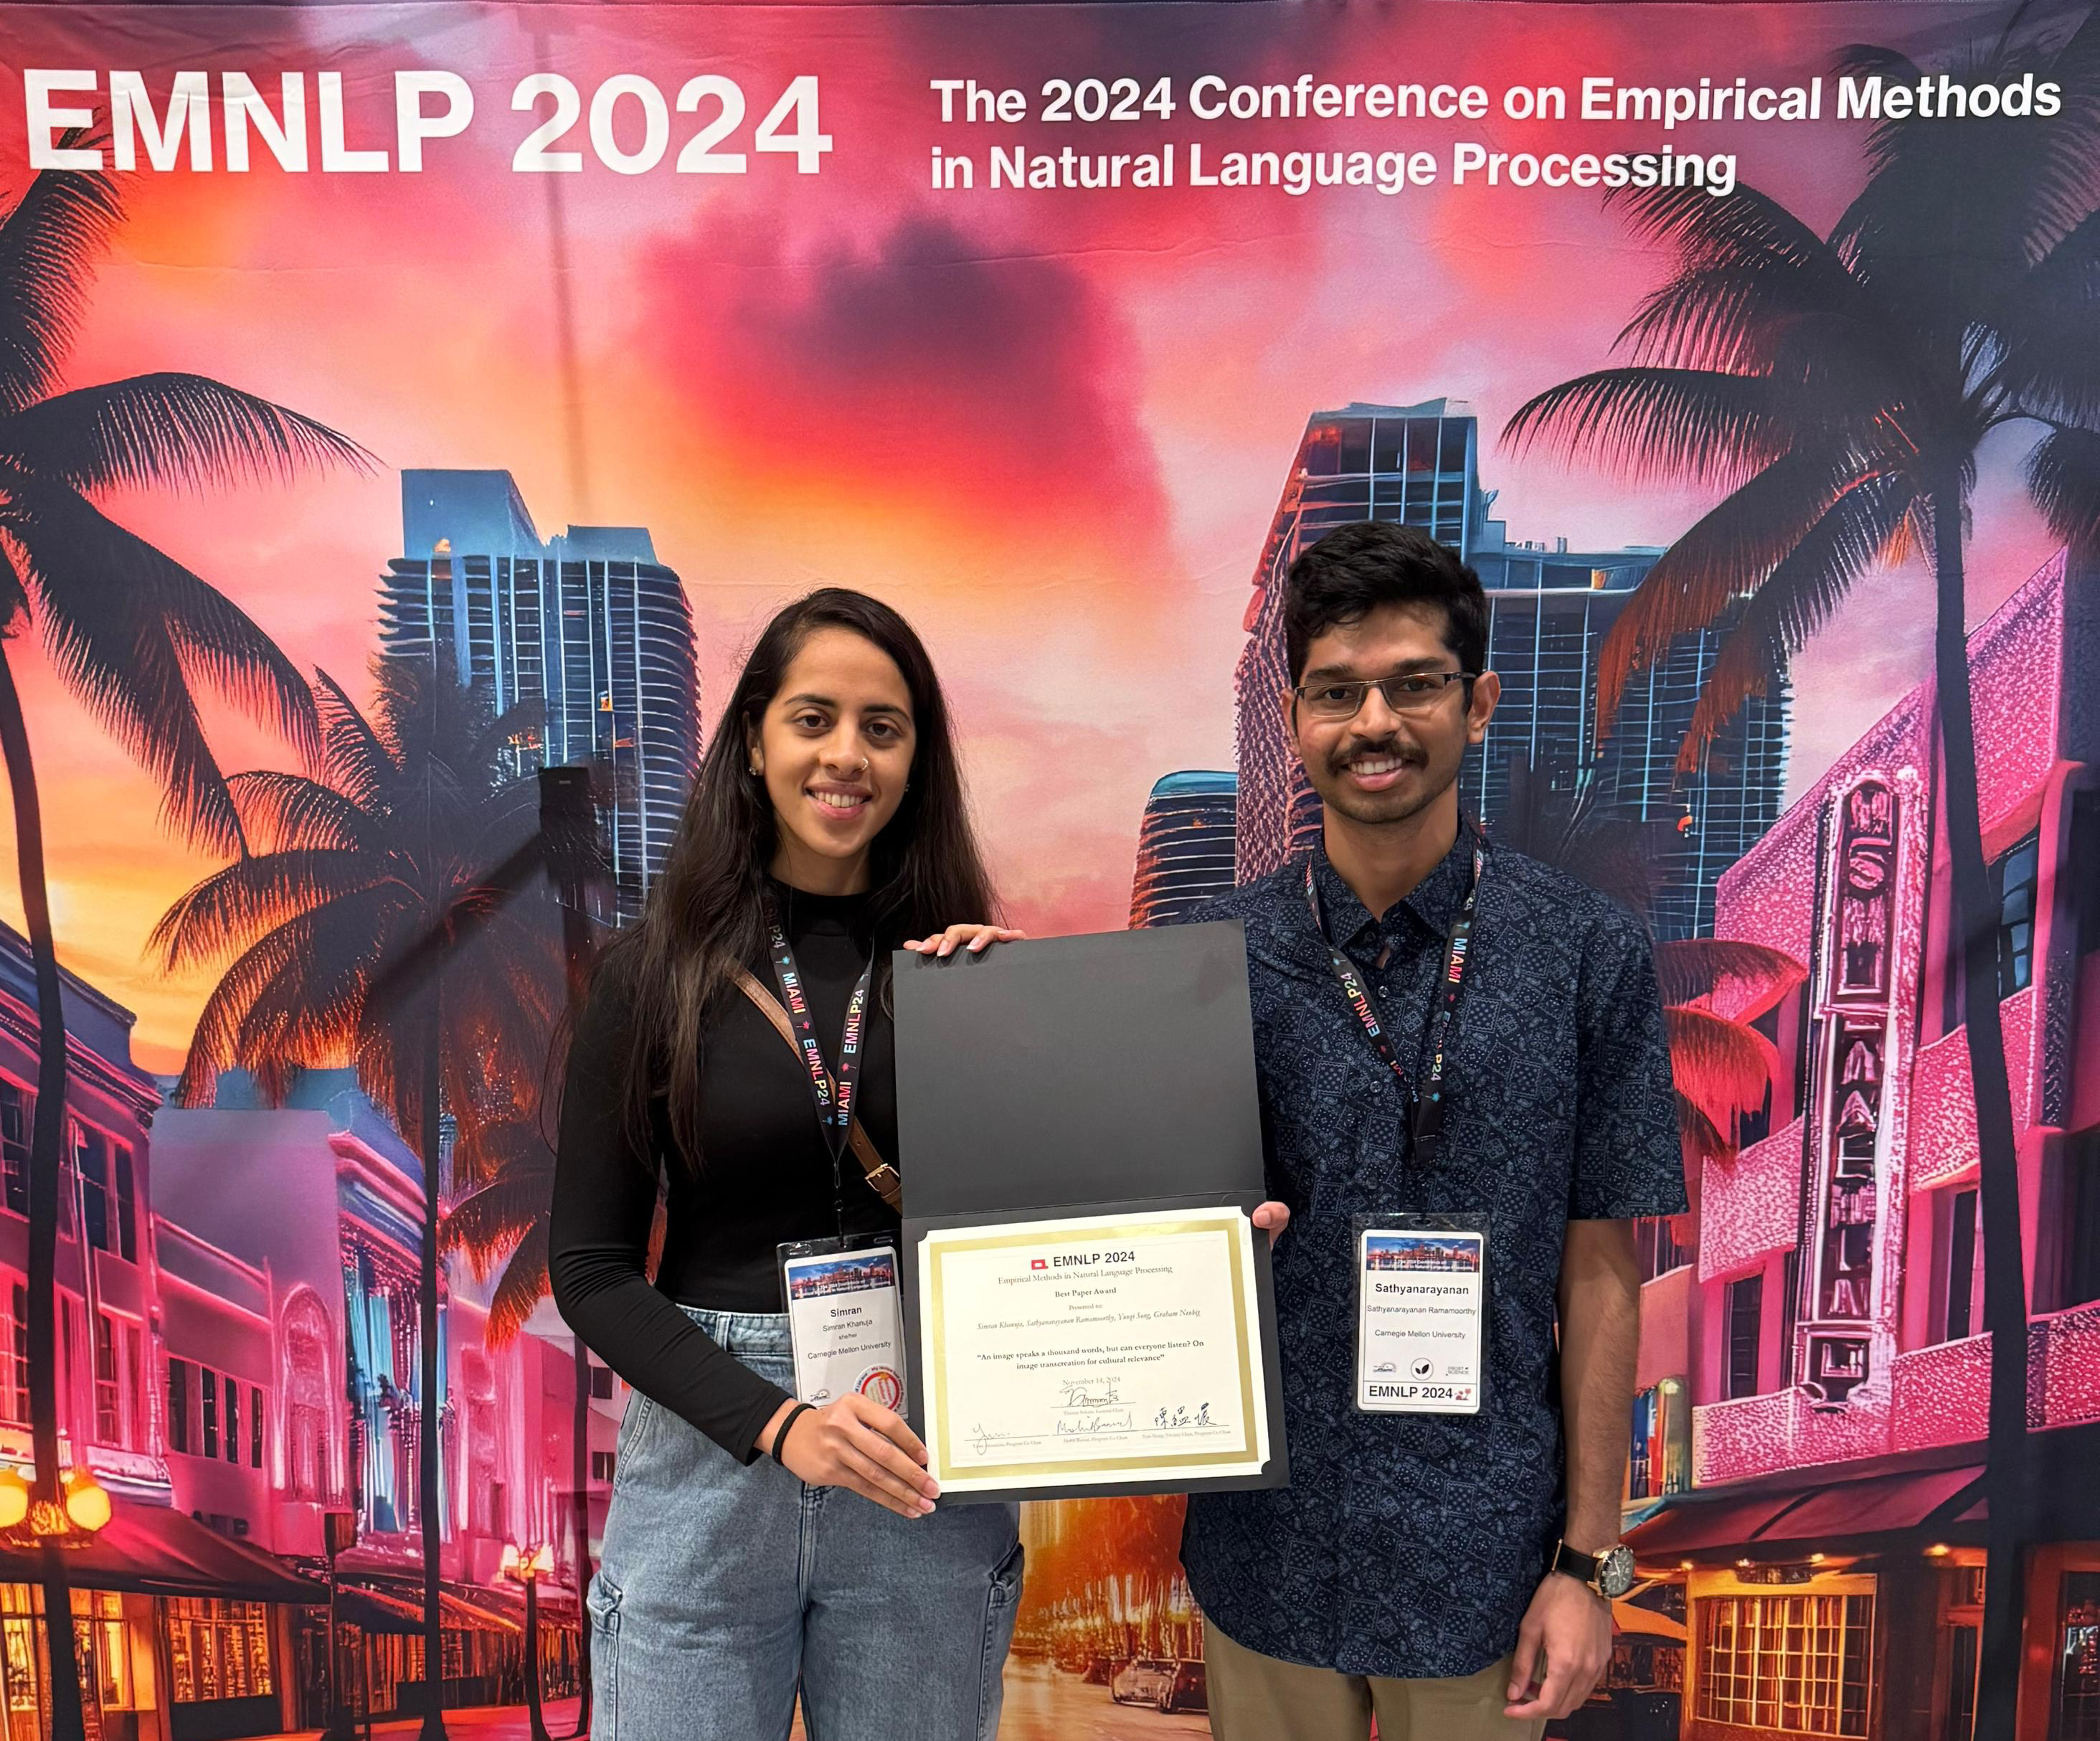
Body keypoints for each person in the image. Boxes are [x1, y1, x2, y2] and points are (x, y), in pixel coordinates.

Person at [1181, 522, 1685, 1740]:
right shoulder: (1206, 957)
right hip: (1268, 1550)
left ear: (1479, 702)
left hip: (1487, 1563)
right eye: (1338, 691)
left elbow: (1604, 1267)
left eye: (1415, 684)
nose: (1376, 723)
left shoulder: (1585, 951)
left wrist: (1589, 1563)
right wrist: (985, 994)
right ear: (1295, 718)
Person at [550, 588, 1029, 1741]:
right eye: (814, 717)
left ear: (918, 758)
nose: (846, 755)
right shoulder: (648, 975)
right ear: (756, 740)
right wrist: (776, 1421)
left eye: (884, 725)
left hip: (916, 1452)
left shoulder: (971, 983)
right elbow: (591, 1266)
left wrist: (1034, 1026)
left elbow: (1039, 1237)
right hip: (711, 1444)